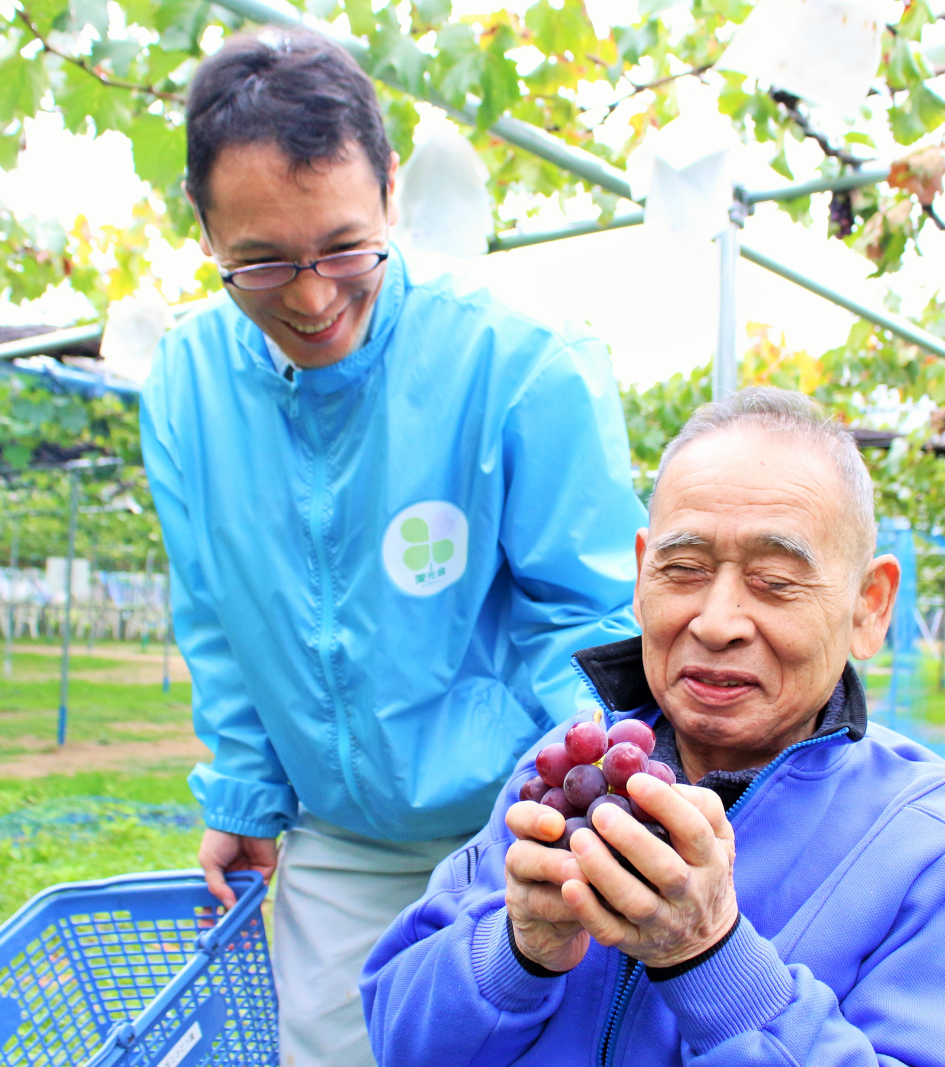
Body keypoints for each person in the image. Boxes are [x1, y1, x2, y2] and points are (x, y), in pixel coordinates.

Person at [139, 28, 647, 1067]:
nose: (313, 296)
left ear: (392, 192)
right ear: (203, 229)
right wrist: (243, 794)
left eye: (342, 248)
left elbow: (584, 620)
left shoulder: (523, 360)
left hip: (519, 823)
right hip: (343, 838)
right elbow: (217, 619)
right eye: (263, 262)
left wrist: (589, 795)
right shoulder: (186, 387)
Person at [362, 387, 945, 1067]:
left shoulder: (941, 847)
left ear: (869, 605)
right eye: (682, 570)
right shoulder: (568, 771)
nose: (716, 622)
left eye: (774, 581)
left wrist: (708, 954)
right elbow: (399, 1037)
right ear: (640, 575)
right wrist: (516, 950)